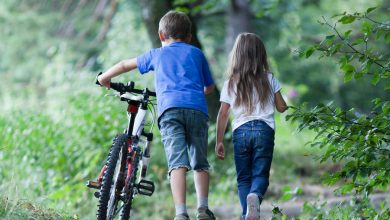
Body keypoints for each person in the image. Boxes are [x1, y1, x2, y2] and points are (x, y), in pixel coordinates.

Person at [98, 10, 216, 220]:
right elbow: (209, 87)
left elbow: (125, 64)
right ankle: (203, 209)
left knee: (177, 163)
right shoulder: (197, 53)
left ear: (161, 35)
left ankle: (181, 213)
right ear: (189, 37)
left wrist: (104, 78)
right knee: (200, 161)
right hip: (197, 110)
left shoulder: (157, 54)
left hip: (170, 110)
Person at [215, 33, 287, 220]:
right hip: (264, 131)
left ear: (236, 55)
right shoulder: (269, 79)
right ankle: (255, 196)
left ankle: (246, 214)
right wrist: (278, 99)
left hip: (241, 132)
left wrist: (219, 141)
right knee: (260, 175)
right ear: (261, 55)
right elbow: (282, 107)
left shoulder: (230, 83)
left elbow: (223, 114)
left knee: (243, 178)